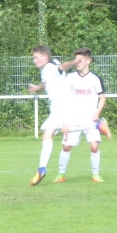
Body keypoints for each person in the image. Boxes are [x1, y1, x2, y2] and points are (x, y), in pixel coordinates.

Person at [27, 46, 88, 185]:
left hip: (61, 105)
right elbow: (47, 81)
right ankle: (41, 169)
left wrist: (73, 62)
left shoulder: (50, 67)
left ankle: (96, 124)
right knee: (54, 133)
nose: (34, 60)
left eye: (36, 57)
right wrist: (37, 88)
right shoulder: (49, 66)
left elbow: (62, 67)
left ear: (45, 57)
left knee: (49, 134)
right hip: (60, 105)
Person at [55, 48, 109, 183]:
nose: (77, 62)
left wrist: (97, 113)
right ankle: (61, 175)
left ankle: (95, 175)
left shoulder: (95, 79)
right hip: (73, 120)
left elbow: (102, 98)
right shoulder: (70, 78)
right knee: (66, 147)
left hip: (90, 120)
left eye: (80, 59)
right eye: (76, 59)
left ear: (88, 61)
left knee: (94, 146)